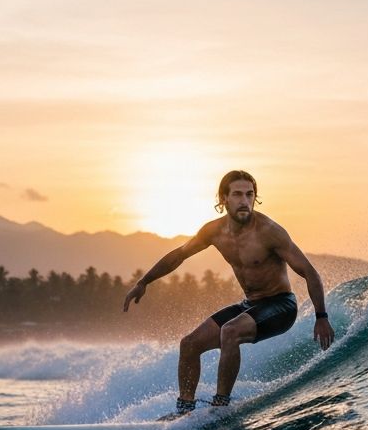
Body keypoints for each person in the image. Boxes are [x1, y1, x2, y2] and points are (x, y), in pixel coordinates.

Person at [123, 170, 335, 415]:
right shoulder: (213, 231)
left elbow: (310, 272)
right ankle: (185, 411)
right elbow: (179, 255)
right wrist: (144, 281)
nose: (244, 201)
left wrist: (322, 317)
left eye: (250, 194)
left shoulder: (269, 231)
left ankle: (220, 407)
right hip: (251, 305)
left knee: (230, 331)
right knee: (189, 344)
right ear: (223, 199)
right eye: (237, 194)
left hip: (281, 306)